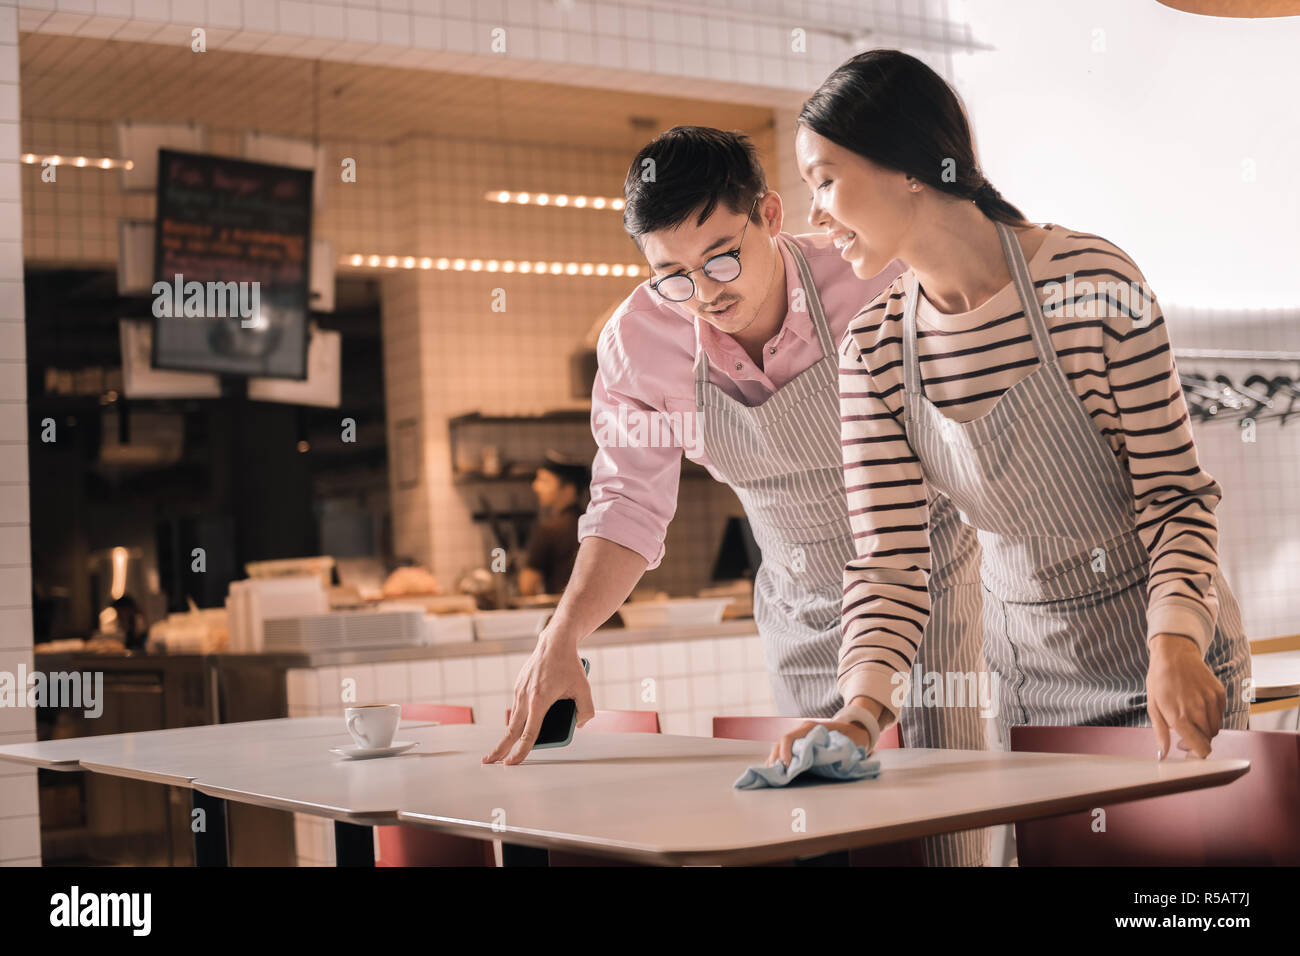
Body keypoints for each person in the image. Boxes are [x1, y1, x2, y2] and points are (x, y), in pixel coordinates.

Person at [485, 126, 991, 865]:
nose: (705, 293)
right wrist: (561, 637)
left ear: (771, 216)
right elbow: (628, 506)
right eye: (674, 275)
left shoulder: (870, 279)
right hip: (800, 610)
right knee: (821, 832)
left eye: (722, 256)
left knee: (941, 831)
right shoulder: (639, 342)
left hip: (928, 584)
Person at [771, 50, 1249, 775]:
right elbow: (891, 563)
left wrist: (1176, 642)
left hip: (1173, 667)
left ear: (907, 164)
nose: (814, 215)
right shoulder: (871, 350)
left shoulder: (1093, 285)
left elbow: (1174, 498)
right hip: (1028, 689)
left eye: (825, 180)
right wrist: (860, 712)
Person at [518, 451, 589, 596]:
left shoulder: (548, 530)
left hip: (566, 611)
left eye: (544, 481)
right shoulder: (594, 525)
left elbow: (527, 586)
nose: (535, 486)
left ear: (569, 488)